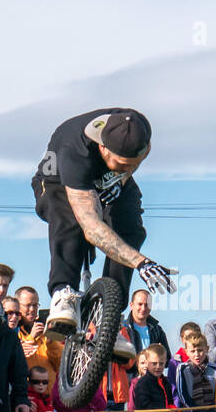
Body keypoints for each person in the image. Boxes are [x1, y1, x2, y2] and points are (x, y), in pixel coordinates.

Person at [30, 108, 175, 346]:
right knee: (70, 219)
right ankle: (63, 294)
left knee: (130, 228)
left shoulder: (140, 132)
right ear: (103, 147)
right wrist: (140, 262)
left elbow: (129, 163)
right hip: (57, 181)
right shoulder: (75, 152)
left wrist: (120, 178)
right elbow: (91, 227)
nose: (125, 167)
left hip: (104, 178)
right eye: (119, 163)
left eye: (131, 164)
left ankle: (110, 318)